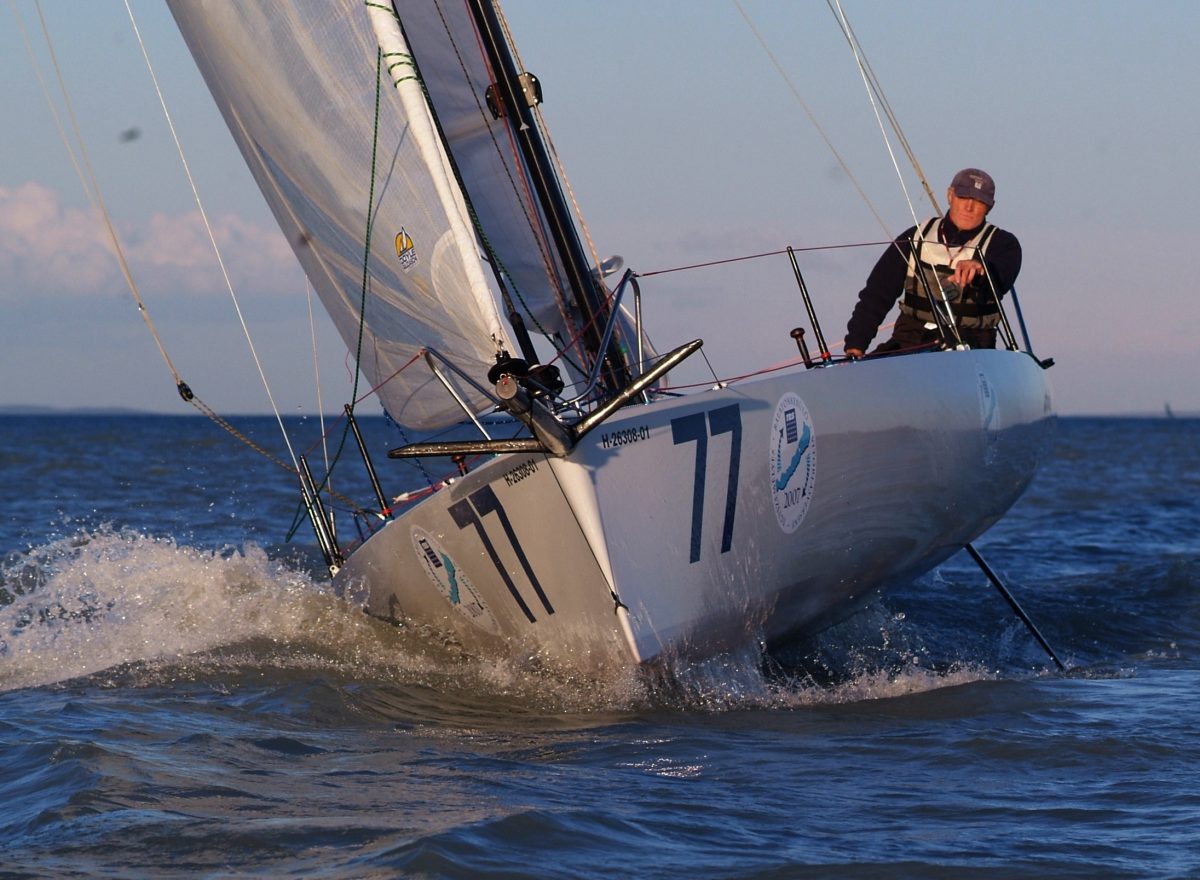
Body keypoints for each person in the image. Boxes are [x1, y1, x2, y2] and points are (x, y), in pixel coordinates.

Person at [843, 168, 1021, 358]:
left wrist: (981, 268)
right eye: (963, 197)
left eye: (979, 201)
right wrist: (856, 343)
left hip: (971, 346)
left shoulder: (1004, 244)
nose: (969, 207)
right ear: (950, 195)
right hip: (909, 339)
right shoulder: (915, 236)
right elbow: (877, 294)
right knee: (870, 368)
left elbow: (1002, 274)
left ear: (990, 207)